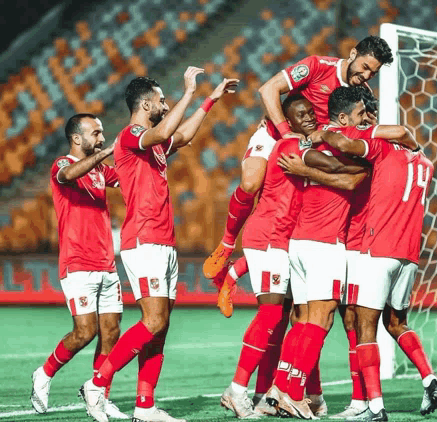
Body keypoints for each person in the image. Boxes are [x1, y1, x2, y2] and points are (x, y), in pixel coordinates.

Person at [79, 71, 238, 422]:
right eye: (162, 101)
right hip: (144, 239)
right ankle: (97, 383)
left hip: (164, 241)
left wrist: (210, 98)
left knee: (161, 325)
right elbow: (167, 131)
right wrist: (189, 91)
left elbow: (180, 135)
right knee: (152, 321)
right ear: (146, 104)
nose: (166, 106)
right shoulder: (131, 134)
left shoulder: (152, 142)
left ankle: (145, 405)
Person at [266, 87, 418, 420]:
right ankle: (294, 393)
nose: (368, 118)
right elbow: (354, 179)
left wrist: (309, 169)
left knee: (305, 320)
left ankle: (281, 387)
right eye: (363, 112)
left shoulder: (312, 142)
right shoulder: (351, 147)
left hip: (300, 240)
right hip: (327, 242)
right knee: (323, 320)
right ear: (346, 116)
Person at [220, 93, 367, 419]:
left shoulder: (300, 145)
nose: (309, 119)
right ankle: (238, 389)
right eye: (300, 115)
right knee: (278, 316)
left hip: (286, 240)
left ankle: (303, 393)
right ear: (286, 120)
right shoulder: (290, 147)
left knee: (299, 317)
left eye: (310, 113)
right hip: (271, 236)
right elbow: (331, 165)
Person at [203, 36, 394, 279]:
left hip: (308, 149)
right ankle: (227, 245)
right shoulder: (318, 66)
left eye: (373, 73)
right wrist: (285, 133)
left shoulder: (362, 93)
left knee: (292, 218)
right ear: (353, 53)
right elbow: (269, 89)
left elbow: (366, 127)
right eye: (365, 67)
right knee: (251, 183)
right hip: (276, 135)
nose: (367, 76)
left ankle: (236, 273)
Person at [316, 108, 437, 421]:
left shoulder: (381, 148)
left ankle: (373, 407)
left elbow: (350, 146)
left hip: (379, 251)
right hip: (409, 255)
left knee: (363, 326)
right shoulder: (423, 161)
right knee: (396, 322)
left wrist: (326, 132)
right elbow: (402, 136)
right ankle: (429, 379)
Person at [31, 114, 127, 420]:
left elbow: (128, 173)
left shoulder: (100, 169)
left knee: (111, 331)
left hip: (106, 262)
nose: (100, 137)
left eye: (101, 133)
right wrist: (105, 152)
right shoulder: (61, 165)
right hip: (78, 263)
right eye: (95, 133)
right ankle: (44, 374)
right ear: (77, 138)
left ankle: (100, 396)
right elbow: (70, 173)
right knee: (85, 332)